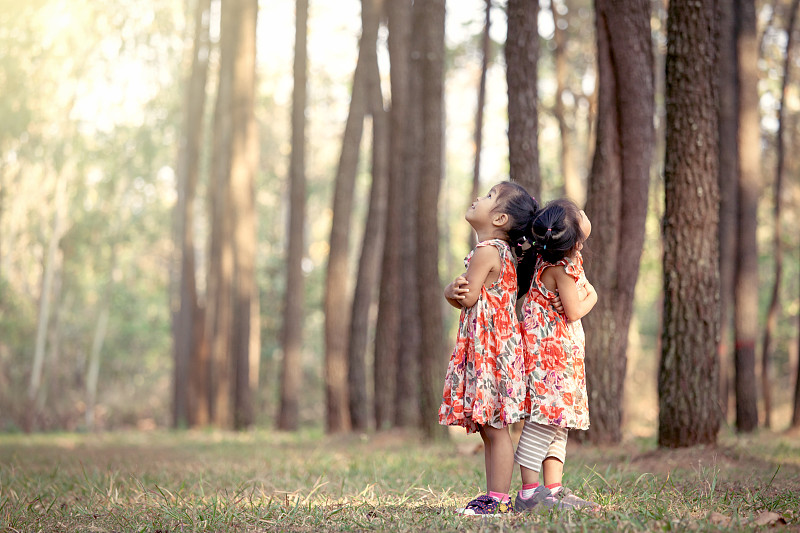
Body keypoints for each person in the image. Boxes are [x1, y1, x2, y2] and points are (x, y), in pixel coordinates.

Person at [439, 181, 538, 516]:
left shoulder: (486, 252)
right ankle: (494, 495)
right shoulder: (503, 253)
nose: (479, 198)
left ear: (499, 219)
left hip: (491, 350)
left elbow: (467, 297)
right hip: (499, 349)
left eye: (490, 196)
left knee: (495, 429)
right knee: (492, 429)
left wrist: (449, 290)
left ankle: (497, 498)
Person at [513, 198, 600, 512]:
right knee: (542, 424)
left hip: (559, 356)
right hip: (552, 361)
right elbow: (575, 309)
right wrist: (593, 295)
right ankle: (527, 493)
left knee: (556, 424)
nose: (585, 215)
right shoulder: (559, 268)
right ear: (575, 238)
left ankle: (552, 489)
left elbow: (580, 294)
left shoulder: (562, 259)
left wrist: (587, 291)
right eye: (581, 215)